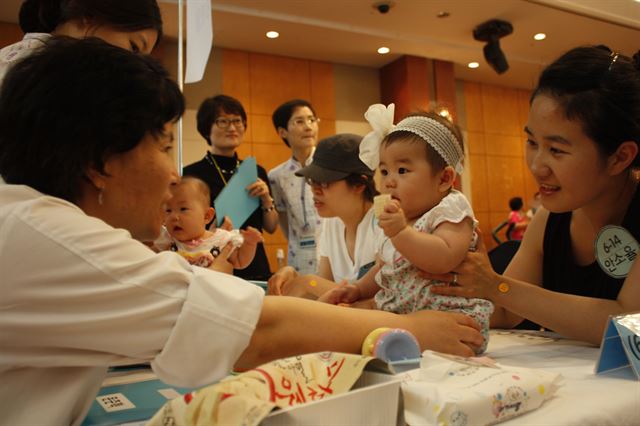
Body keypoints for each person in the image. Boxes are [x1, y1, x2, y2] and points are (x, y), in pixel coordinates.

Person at [0, 38, 483, 425]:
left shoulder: (30, 221)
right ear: (99, 162)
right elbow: (255, 330)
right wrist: (414, 328)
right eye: (164, 146)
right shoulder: (42, 234)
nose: (173, 174)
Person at [427, 45, 640, 346]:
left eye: (557, 150)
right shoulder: (549, 220)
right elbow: (503, 311)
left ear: (620, 157)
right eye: (531, 142)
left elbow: (630, 323)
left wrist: (496, 285)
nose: (537, 166)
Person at [319, 106, 493, 353]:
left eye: (402, 171)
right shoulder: (399, 220)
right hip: (403, 316)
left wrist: (401, 233)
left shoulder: (450, 208)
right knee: (348, 318)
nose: (389, 181)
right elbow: (383, 269)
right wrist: (357, 288)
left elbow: (444, 257)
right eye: (384, 171)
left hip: (451, 323)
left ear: (444, 179)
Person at [267, 133, 382, 298]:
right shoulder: (332, 223)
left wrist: (305, 283)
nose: (315, 190)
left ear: (359, 184)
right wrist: (294, 278)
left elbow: (381, 300)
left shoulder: (385, 221)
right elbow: (323, 287)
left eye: (324, 182)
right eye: (312, 181)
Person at [183, 95, 279, 281]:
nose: (233, 128)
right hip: (214, 264)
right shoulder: (191, 175)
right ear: (206, 129)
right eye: (223, 122)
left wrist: (266, 199)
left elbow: (271, 226)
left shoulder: (255, 171)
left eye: (237, 121)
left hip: (255, 264)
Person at [0, 0, 162, 83]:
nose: (136, 66)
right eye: (133, 47)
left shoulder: (26, 56)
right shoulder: (49, 71)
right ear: (90, 18)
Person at [155, 176, 262, 271]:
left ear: (207, 216)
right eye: (168, 211)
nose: (174, 217)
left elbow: (239, 261)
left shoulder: (220, 240)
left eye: (183, 209)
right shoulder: (167, 241)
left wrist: (249, 243)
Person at [268, 99, 323, 275]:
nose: (308, 127)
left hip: (332, 252)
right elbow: (283, 216)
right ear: (282, 132)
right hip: (299, 256)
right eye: (299, 121)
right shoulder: (277, 176)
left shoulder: (329, 166)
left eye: (312, 120)